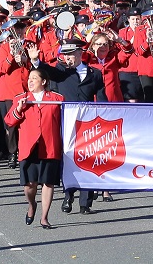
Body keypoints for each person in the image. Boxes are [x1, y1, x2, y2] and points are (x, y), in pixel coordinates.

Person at [27, 38, 108, 215]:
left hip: (88, 123)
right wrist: (35, 61)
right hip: (66, 122)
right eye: (65, 55)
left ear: (80, 54)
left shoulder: (95, 73)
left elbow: (102, 99)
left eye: (71, 55)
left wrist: (104, 117)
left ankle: (85, 203)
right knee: (68, 159)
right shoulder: (60, 71)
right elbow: (47, 71)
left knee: (88, 158)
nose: (68, 58)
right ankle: (68, 194)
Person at [4, 68, 64, 229]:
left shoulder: (57, 99)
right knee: (29, 185)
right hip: (29, 147)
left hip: (49, 146)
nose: (30, 81)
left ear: (43, 81)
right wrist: (19, 109)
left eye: (34, 78)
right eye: (29, 78)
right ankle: (32, 205)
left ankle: (44, 217)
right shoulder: (21, 98)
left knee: (48, 183)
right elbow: (9, 121)